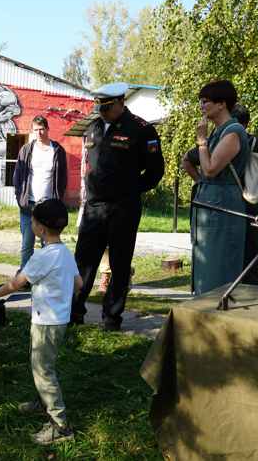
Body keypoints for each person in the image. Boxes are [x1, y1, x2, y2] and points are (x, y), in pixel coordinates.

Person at [0, 198, 81, 445]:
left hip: (45, 323)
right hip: (59, 322)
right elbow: (78, 285)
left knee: (43, 371)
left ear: (40, 229)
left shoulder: (42, 257)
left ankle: (61, 426)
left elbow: (16, 284)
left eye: (32, 222)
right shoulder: (65, 252)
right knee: (45, 364)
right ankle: (45, 404)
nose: (30, 225)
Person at [71, 82, 164, 332]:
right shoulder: (94, 127)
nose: (101, 112)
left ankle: (111, 319)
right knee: (82, 263)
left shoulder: (141, 130)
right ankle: (74, 314)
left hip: (122, 208)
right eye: (99, 107)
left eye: (107, 108)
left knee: (120, 264)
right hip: (93, 208)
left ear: (121, 103)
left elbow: (155, 171)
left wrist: (129, 189)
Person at [182, 103, 258, 285]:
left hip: (237, 216)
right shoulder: (254, 143)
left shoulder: (233, 143)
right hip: (249, 214)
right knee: (244, 276)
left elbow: (187, 160)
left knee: (230, 273)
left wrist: (207, 187)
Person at [189, 80, 250, 295]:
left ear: (222, 103)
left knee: (219, 269)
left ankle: (216, 315)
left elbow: (211, 170)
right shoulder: (219, 131)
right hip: (213, 202)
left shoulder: (232, 131)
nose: (201, 107)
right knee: (206, 263)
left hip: (224, 205)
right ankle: (204, 310)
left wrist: (202, 140)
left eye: (205, 102)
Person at [13, 115, 68, 277]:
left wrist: (58, 198)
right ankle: (25, 277)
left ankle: (46, 276)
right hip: (28, 204)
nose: (39, 132)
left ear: (47, 129)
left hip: (49, 206)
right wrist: (20, 198)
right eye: (36, 130)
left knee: (49, 244)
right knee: (27, 245)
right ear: (32, 131)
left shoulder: (57, 150)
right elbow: (17, 176)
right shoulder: (26, 150)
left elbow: (63, 177)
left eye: (42, 129)